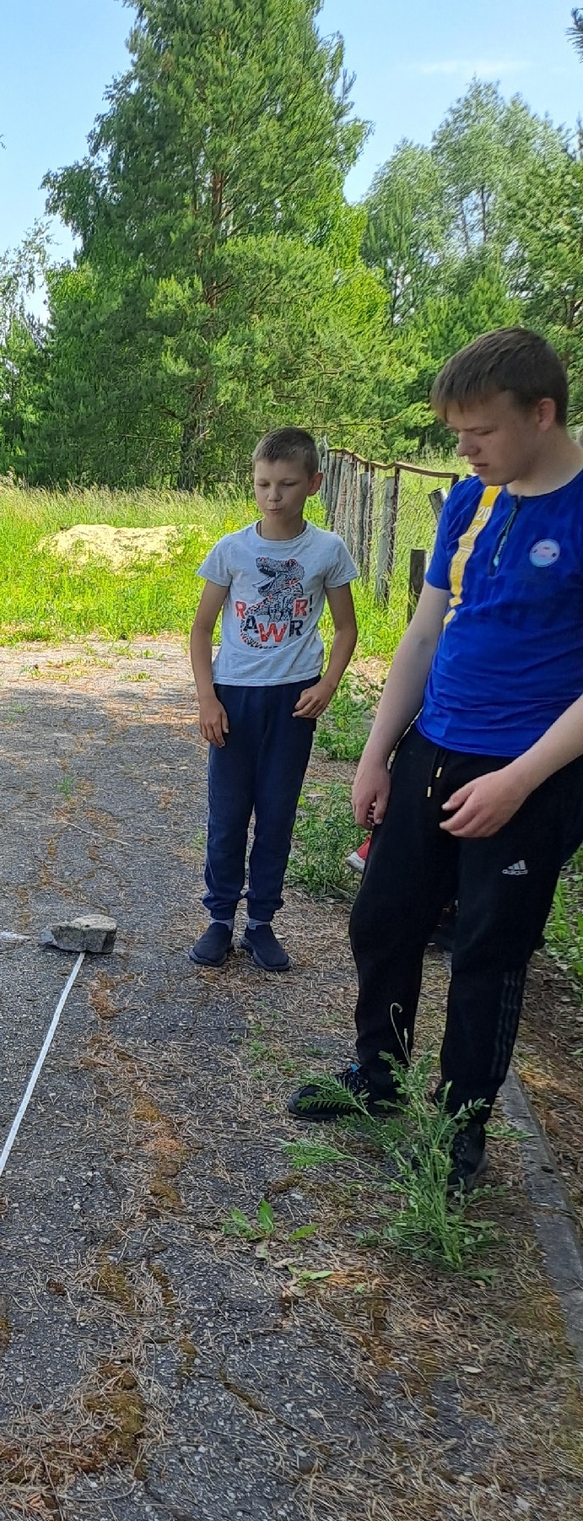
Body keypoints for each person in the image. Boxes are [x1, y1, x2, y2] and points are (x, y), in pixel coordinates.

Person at [289, 328, 583, 1194]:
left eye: (480, 432)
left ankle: (460, 1133)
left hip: (536, 772)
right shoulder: (470, 501)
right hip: (435, 745)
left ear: (543, 413)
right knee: (382, 919)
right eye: (455, 434)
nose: (464, 450)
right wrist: (379, 754)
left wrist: (520, 780)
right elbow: (424, 634)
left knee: (489, 954)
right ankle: (377, 1081)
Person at [188, 427, 359, 971]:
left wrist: (327, 684)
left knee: (277, 812)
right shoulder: (232, 549)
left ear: (313, 483)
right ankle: (219, 919)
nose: (273, 495)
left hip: (292, 701)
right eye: (263, 483)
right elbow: (200, 631)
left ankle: (261, 923)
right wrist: (207, 699)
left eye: (287, 484)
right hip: (235, 697)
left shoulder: (327, 550)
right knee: (228, 813)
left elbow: (346, 629)